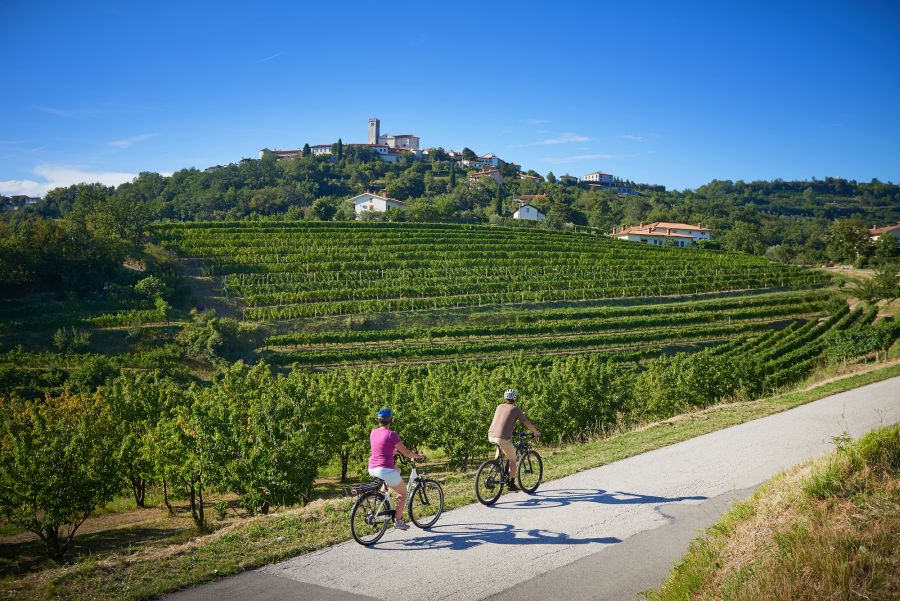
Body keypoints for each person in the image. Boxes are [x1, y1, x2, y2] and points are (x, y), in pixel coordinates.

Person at [368, 407, 424, 530]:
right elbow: (407, 452)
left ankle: (381, 495)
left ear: (379, 420)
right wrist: (418, 456)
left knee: (397, 470)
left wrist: (391, 451)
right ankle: (397, 521)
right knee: (403, 493)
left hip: (372, 467)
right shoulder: (392, 434)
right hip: (384, 469)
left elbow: (379, 448)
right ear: (390, 420)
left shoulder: (373, 432)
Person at [488, 389, 540, 490]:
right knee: (513, 459)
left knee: (501, 447)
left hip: (491, 435)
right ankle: (511, 484)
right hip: (502, 438)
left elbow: (502, 421)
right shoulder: (515, 409)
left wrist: (511, 431)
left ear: (504, 398)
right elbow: (526, 422)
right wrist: (535, 432)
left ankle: (495, 466)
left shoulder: (499, 407)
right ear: (514, 399)